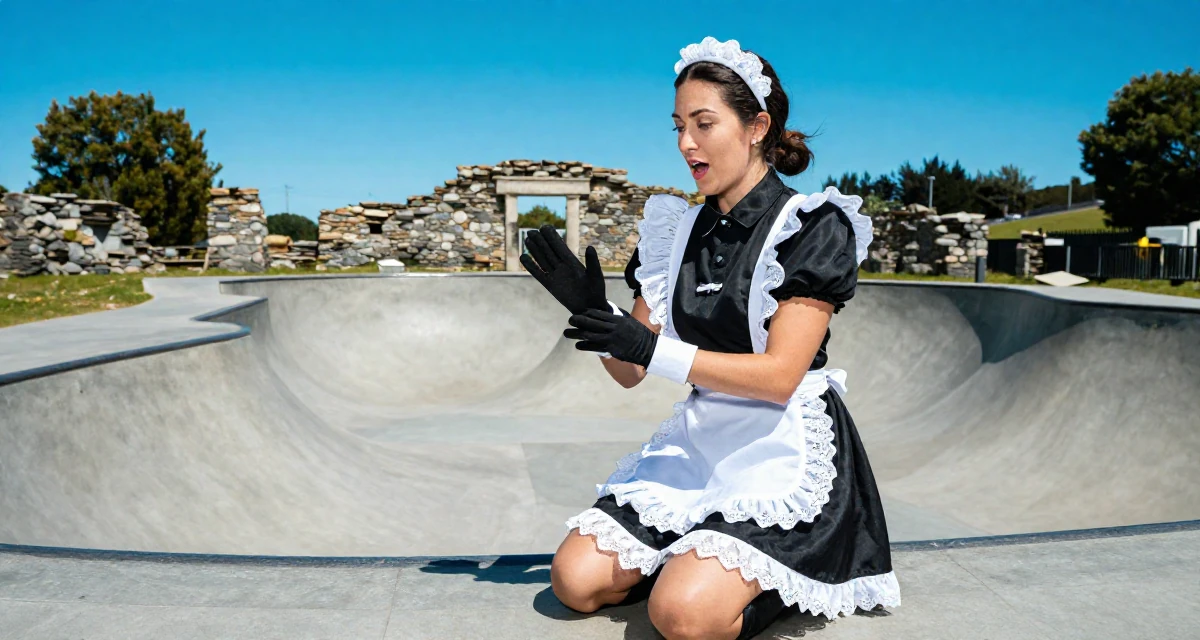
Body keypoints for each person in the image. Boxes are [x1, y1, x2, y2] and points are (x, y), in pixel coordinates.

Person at [520, 36, 900, 640]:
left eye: (703, 124)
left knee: (683, 618)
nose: (685, 144)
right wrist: (597, 314)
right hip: (702, 445)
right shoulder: (673, 231)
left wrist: (652, 348)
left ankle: (779, 583)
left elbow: (779, 377)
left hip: (783, 449)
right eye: (677, 127)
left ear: (757, 127)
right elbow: (630, 372)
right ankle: (695, 561)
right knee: (574, 582)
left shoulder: (812, 226)